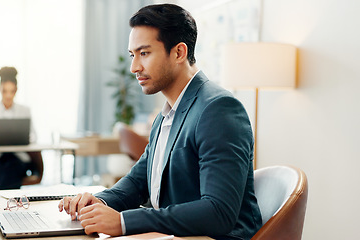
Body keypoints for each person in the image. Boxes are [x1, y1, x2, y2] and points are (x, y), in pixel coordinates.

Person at [59, 4, 262, 239]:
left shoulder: (218, 109)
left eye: (144, 53)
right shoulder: (165, 116)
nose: (134, 67)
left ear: (178, 53)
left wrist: (124, 221)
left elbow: (218, 213)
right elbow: (138, 182)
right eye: (132, 55)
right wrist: (99, 202)